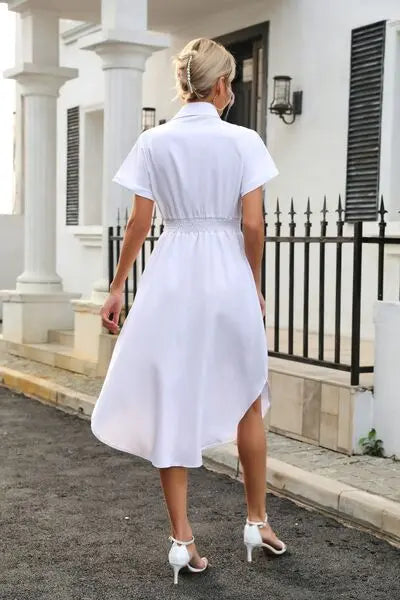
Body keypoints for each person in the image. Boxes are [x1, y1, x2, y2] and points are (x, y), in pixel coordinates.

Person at [91, 37, 286, 585]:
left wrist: (116, 288)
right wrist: (252, 283)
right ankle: (257, 522)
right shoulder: (244, 140)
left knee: (171, 398)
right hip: (227, 275)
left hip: (172, 272)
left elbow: (138, 224)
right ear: (221, 84)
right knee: (249, 397)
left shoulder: (154, 141)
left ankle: (182, 539)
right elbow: (253, 225)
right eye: (230, 84)